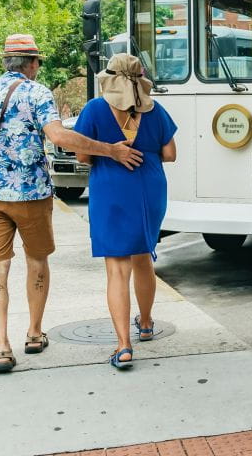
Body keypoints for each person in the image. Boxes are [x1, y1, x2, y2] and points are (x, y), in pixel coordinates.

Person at [0, 34, 143, 373]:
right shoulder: (36, 92)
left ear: (4, 62)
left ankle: (0, 347)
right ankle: (35, 333)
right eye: (37, 61)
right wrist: (110, 149)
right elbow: (58, 137)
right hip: (32, 196)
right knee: (37, 260)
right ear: (33, 64)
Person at [74, 53, 177, 370]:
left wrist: (108, 154)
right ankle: (145, 323)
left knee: (117, 268)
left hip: (111, 187)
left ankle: (123, 346)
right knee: (144, 256)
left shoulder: (95, 109)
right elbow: (170, 154)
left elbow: (81, 155)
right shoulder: (156, 110)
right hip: (150, 187)